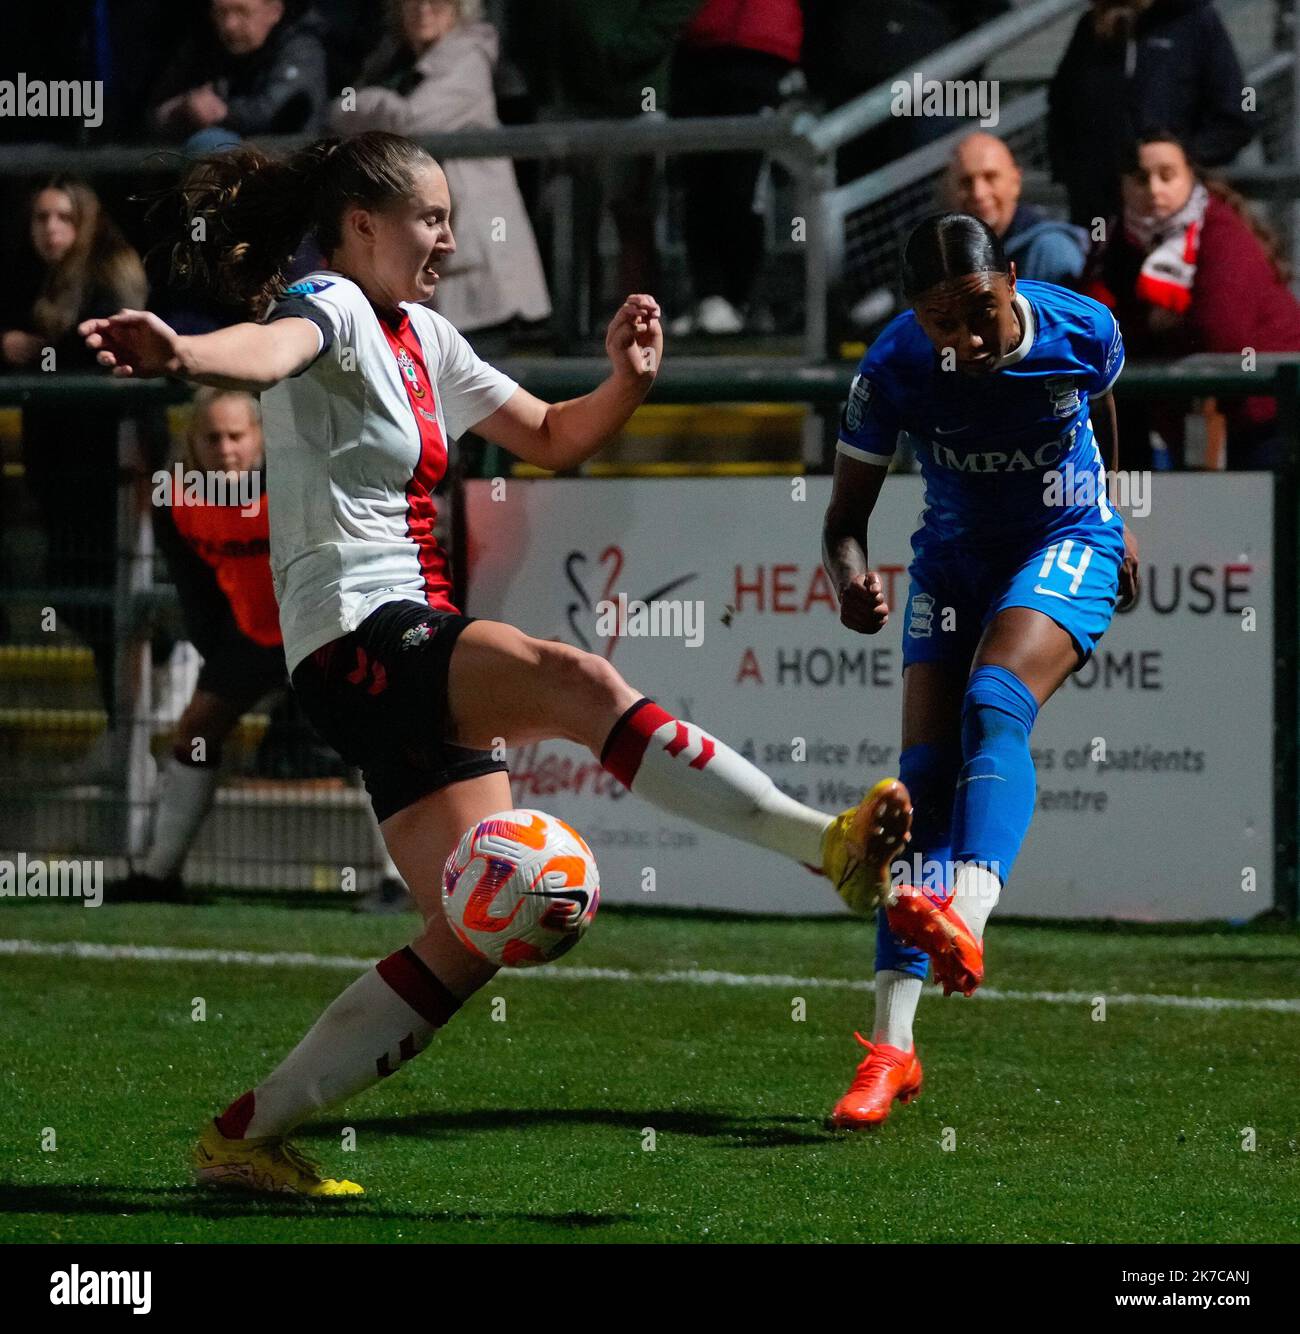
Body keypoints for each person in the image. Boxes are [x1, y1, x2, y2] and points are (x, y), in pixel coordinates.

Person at [83, 130, 912, 1197]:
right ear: (361, 226)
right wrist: (190, 352)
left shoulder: (422, 331)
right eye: (428, 217)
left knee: (476, 927)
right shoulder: (328, 303)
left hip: (387, 649)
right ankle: (828, 845)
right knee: (579, 681)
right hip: (358, 634)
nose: (446, 236)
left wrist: (624, 381)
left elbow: (554, 436)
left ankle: (245, 1132)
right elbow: (270, 350)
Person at [821, 214, 1141, 1128]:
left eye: (977, 313)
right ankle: (892, 1052)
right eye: (937, 322)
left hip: (1063, 536)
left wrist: (1108, 510)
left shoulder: (1081, 326)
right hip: (954, 560)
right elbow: (845, 520)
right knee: (917, 787)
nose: (959, 341)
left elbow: (1104, 400)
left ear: (1010, 278)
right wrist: (851, 582)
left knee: (994, 701)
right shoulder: (892, 369)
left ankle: (967, 910)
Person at [118, 387, 409, 908]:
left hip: (323, 630)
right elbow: (194, 585)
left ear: (260, 437)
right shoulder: (178, 499)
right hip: (249, 636)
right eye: (212, 437)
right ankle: (159, 875)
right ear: (194, 441)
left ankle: (398, 880)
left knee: (371, 744)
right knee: (197, 733)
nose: (225, 448)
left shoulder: (298, 484)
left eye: (236, 435)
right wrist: (216, 648)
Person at [1, 177, 148, 763]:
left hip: (100, 461)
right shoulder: (49, 277)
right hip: (62, 462)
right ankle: (128, 713)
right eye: (41, 218)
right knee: (72, 590)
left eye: (62, 217)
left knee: (98, 591)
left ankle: (138, 707)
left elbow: (99, 353)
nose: (50, 230)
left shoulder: (108, 271)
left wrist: (27, 350)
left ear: (84, 220)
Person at [1085, 132, 1300, 470]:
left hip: (1268, 420)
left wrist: (1147, 331)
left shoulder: (1221, 233)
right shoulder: (1116, 240)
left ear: (1190, 177)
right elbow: (1091, 324)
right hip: (1192, 423)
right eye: (1141, 179)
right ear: (1123, 185)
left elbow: (1222, 337)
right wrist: (1151, 323)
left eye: (1167, 175)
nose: (1155, 190)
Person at [332, 0, 550, 334]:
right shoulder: (390, 58)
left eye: (438, 1)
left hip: (481, 255)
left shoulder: (470, 56)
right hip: (428, 250)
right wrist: (372, 105)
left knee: (482, 368)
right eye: (411, 2)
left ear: (459, 9)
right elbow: (337, 111)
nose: (423, 10)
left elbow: (411, 121)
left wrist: (371, 104)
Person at [1048, 0, 1253, 228]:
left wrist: (1177, 164)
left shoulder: (1195, 20)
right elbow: (1061, 103)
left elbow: (1236, 114)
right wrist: (1077, 175)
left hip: (1176, 213)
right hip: (1102, 211)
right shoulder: (1092, 27)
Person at [668, 0, 805, 336]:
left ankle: (737, 298)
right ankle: (709, 295)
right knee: (697, 181)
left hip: (762, 54)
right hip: (697, 48)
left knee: (741, 185)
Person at [149, 0, 329, 149]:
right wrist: (184, 107)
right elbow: (155, 113)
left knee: (211, 143)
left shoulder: (302, 48)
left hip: (289, 160)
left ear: (274, 12)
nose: (230, 25)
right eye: (221, 13)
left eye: (242, 12)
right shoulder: (205, 46)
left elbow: (273, 113)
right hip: (214, 159)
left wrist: (222, 113)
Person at [946, 133, 1088, 288]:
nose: (978, 193)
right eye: (966, 182)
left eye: (990, 177)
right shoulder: (952, 261)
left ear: (1015, 181)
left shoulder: (1050, 250)